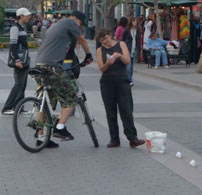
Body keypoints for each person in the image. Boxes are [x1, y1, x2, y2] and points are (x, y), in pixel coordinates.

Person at [34, 11, 93, 147]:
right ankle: (60, 128)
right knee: (71, 98)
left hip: (38, 65)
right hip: (52, 66)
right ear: (77, 19)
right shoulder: (70, 22)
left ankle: (41, 137)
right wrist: (89, 55)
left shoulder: (56, 25)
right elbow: (82, 39)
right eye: (80, 23)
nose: (79, 26)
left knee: (42, 101)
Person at [96, 28, 145, 148]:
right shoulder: (99, 50)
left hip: (122, 81)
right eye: (102, 40)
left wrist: (119, 56)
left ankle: (132, 138)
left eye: (106, 38)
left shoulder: (121, 44)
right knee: (110, 112)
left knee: (126, 110)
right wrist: (108, 63)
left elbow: (128, 61)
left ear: (111, 36)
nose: (105, 42)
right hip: (107, 82)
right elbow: (101, 68)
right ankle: (114, 139)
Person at [1, 8, 31, 115]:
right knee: (18, 84)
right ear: (21, 16)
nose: (29, 17)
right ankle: (7, 108)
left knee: (22, 84)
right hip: (20, 60)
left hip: (24, 59)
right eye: (27, 15)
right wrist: (17, 59)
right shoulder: (15, 28)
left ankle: (19, 107)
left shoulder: (21, 27)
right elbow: (13, 46)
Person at [122, 17, 140, 87]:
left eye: (136, 21)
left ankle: (129, 79)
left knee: (131, 67)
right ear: (130, 22)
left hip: (134, 49)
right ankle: (129, 81)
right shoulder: (127, 30)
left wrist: (137, 48)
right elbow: (123, 39)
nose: (135, 23)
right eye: (133, 21)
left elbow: (137, 39)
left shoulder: (137, 30)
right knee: (128, 67)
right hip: (127, 49)